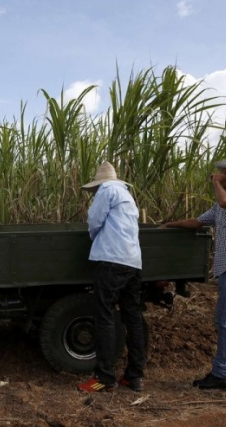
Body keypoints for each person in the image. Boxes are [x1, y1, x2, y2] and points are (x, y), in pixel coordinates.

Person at [161, 159, 226, 390]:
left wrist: (216, 183)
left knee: (225, 320)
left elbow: (225, 201)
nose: (219, 175)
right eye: (219, 173)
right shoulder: (221, 205)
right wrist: (170, 224)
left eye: (225, 173)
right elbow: (197, 222)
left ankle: (221, 374)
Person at [77, 161, 146, 393]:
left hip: (112, 261)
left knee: (104, 315)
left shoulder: (107, 190)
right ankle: (134, 376)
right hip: (133, 262)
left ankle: (105, 377)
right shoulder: (126, 194)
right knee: (132, 317)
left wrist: (96, 238)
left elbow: (94, 222)